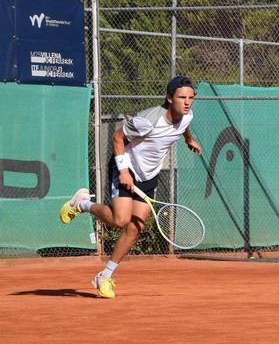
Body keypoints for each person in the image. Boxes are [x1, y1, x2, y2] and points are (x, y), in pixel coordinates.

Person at [60, 76, 202, 299]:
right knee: (120, 220)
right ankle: (82, 204)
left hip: (149, 175)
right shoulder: (148, 121)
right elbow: (117, 138)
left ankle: (104, 276)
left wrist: (189, 140)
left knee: (135, 227)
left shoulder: (187, 116)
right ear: (169, 97)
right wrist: (124, 170)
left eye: (191, 98)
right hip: (125, 166)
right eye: (182, 97)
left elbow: (183, 126)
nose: (187, 102)